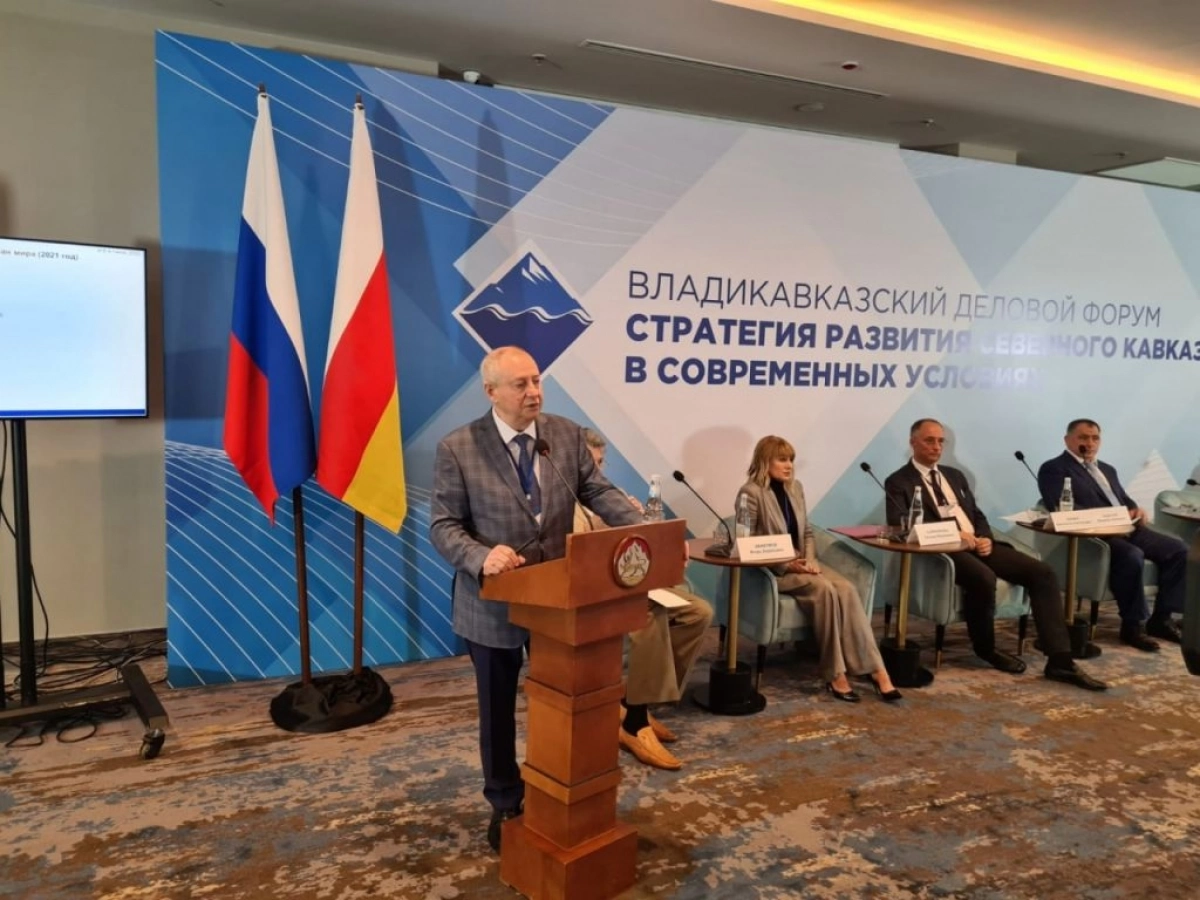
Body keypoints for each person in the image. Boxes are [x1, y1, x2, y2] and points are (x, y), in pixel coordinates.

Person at [429, 346, 641, 853]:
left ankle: (556, 787)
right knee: (497, 710)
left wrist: (642, 529)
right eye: (520, 384)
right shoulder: (458, 447)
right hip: (493, 604)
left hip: (558, 603)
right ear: (491, 392)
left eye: (537, 381)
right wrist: (481, 556)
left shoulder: (564, 435)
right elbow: (443, 525)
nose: (533, 393)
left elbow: (597, 492)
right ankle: (505, 800)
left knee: (562, 702)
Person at [884, 419, 1106, 691]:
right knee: (983, 577)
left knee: (1042, 572)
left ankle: (1060, 660)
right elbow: (901, 525)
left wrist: (985, 538)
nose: (937, 446)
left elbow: (976, 514)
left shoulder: (954, 475)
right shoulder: (898, 481)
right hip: (944, 550)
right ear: (913, 442)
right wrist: (955, 536)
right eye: (929, 440)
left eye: (941, 441)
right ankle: (986, 649)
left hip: (979, 544)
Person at [577, 428, 713, 771]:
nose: (598, 471)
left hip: (628, 584)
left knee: (698, 612)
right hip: (591, 592)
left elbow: (637, 550)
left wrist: (637, 524)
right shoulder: (563, 499)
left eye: (601, 463)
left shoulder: (613, 496)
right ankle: (635, 723)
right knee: (649, 614)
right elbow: (580, 554)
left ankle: (635, 700)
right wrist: (607, 527)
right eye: (591, 464)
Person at [737, 435, 901, 703]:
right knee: (824, 588)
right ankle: (835, 674)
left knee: (846, 588)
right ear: (765, 461)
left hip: (803, 563)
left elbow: (807, 531)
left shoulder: (795, 487)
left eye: (791, 459)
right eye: (782, 459)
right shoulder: (750, 493)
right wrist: (786, 563)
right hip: (773, 570)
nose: (789, 465)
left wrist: (810, 560)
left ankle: (875, 669)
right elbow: (747, 542)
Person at [1037, 418, 1186, 651]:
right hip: (1095, 534)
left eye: (1095, 438)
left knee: (1180, 550)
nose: (1090, 443)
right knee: (1131, 555)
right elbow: (1060, 506)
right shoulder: (1054, 469)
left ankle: (1161, 619)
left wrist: (1135, 509)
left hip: (1127, 527)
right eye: (1083, 437)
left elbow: (1122, 499)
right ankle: (1132, 626)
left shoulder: (1106, 469)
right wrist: (1109, 518)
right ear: (1068, 440)